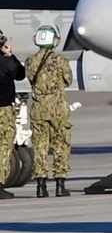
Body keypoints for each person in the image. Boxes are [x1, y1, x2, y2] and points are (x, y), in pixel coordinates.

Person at [25, 25, 73, 198]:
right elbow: (68, 80)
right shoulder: (61, 60)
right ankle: (60, 185)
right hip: (57, 109)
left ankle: (40, 186)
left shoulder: (30, 60)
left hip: (38, 110)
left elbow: (31, 79)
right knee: (61, 145)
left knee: (40, 147)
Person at [0, 31, 26, 199]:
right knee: (3, 146)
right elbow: (20, 74)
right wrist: (11, 56)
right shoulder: (5, 62)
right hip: (3, 110)